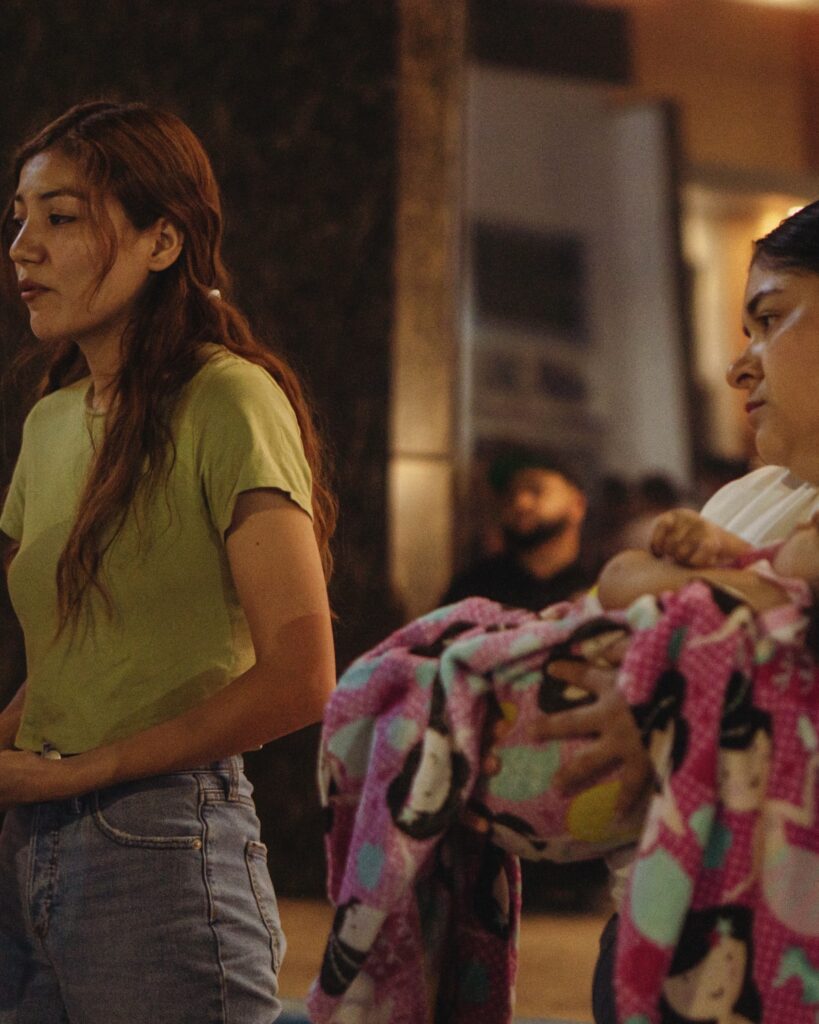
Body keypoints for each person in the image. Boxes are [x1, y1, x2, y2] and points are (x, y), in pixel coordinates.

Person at [0, 100, 337, 1024]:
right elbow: (76, 665)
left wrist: (86, 770)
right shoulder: (51, 421)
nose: (24, 247)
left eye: (61, 217)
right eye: (19, 218)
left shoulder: (229, 399)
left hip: (159, 842)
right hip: (29, 843)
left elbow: (302, 676)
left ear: (162, 239)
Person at [527, 200, 819, 1024]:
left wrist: (691, 709)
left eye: (769, 320)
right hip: (658, 924)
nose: (739, 368)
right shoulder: (747, 504)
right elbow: (613, 605)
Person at [442, 449, 591, 612]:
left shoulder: (599, 587)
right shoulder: (474, 589)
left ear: (578, 505)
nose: (520, 503)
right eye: (510, 494)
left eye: (536, 490)